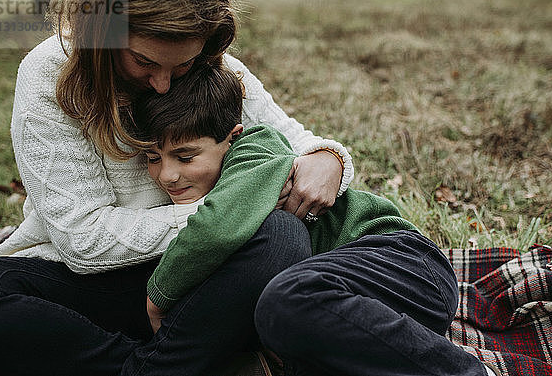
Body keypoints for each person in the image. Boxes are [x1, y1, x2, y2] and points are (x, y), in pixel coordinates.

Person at [0, 0, 351, 375]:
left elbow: (302, 146)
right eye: (145, 62)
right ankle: (192, 363)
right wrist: (233, 210)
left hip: (204, 280)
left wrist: (329, 159)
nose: (162, 84)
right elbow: (83, 241)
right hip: (94, 283)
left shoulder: (216, 67)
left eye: (183, 65)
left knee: (280, 236)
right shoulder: (50, 73)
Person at [132, 62, 500, 376]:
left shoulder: (253, 151)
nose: (167, 175)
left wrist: (158, 295)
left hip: (404, 263)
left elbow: (215, 228)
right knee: (286, 325)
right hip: (363, 312)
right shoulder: (218, 174)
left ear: (231, 138)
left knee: (288, 300)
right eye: (153, 159)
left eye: (185, 156)